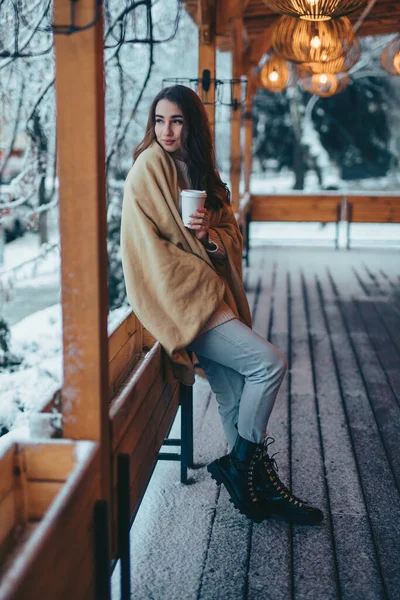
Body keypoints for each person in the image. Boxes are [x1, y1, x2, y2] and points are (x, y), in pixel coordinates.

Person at [120, 85, 323, 525]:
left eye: (176, 120)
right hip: (186, 299)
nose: (166, 130)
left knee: (232, 397)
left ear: (191, 124)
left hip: (208, 292)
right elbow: (146, 250)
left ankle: (256, 486)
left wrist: (209, 234)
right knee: (268, 364)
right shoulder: (149, 167)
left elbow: (231, 234)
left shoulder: (200, 171)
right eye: (159, 120)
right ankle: (243, 467)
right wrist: (197, 261)